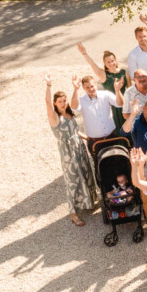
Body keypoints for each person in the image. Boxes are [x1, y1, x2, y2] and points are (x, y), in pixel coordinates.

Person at [44, 76, 96, 226]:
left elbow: (76, 131)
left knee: (85, 173)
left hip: (79, 147)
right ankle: (73, 213)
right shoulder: (55, 117)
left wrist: (89, 139)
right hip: (68, 152)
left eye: (64, 100)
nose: (62, 103)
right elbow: (47, 102)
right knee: (72, 180)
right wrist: (48, 85)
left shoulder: (69, 113)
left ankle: (89, 201)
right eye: (59, 101)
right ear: (55, 103)